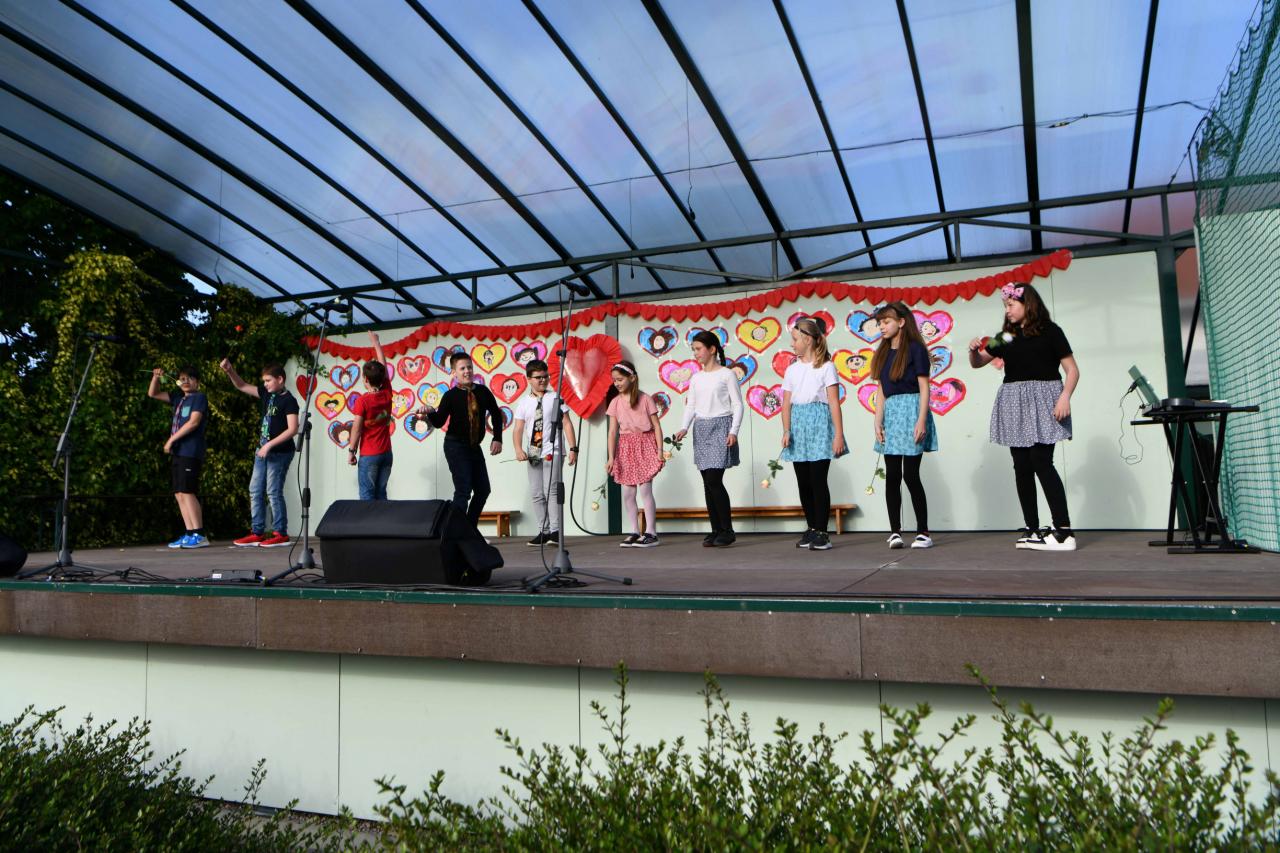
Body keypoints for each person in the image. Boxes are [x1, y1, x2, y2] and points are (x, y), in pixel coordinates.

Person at [968, 282, 1080, 551]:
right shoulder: (1006, 336)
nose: (1007, 310)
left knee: (1042, 461)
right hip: (1013, 402)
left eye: (1011, 305)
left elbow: (1072, 370)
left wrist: (1065, 396)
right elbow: (979, 362)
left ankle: (1064, 530)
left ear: (1027, 303)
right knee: (1021, 466)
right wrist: (972, 351)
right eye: (1005, 306)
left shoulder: (1050, 331)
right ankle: (1032, 528)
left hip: (1045, 401)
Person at [869, 303, 937, 549]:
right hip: (892, 414)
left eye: (886, 321)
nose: (882, 326)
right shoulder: (883, 353)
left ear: (901, 322)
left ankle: (923, 532)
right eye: (880, 323)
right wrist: (877, 420)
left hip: (911, 411)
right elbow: (881, 389)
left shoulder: (915, 349)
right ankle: (895, 531)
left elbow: (924, 387)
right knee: (892, 475)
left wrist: (921, 419)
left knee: (911, 474)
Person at [780, 316, 847, 551]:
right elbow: (786, 403)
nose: (792, 344)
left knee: (818, 480)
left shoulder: (826, 367)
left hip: (819, 424)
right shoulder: (792, 369)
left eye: (795, 339)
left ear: (808, 340)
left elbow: (834, 402)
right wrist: (786, 430)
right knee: (804, 481)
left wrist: (838, 434)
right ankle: (811, 527)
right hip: (798, 427)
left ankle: (822, 531)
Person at [672, 331, 744, 547]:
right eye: (693, 350)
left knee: (714, 480)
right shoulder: (696, 378)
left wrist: (733, 431)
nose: (695, 353)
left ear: (712, 349)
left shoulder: (727, 375)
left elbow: (737, 404)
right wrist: (684, 427)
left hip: (721, 426)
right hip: (701, 428)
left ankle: (727, 530)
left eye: (698, 349)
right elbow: (691, 405)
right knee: (707, 483)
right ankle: (715, 530)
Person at [416, 351, 503, 526]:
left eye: (469, 367)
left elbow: (496, 414)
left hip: (474, 446)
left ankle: (469, 528)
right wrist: (430, 412)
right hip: (455, 446)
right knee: (463, 490)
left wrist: (497, 438)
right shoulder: (450, 396)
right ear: (454, 372)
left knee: (483, 489)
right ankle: (456, 530)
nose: (467, 371)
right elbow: (439, 422)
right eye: (462, 368)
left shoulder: (483, 392)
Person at [219, 359, 300, 548]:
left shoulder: (289, 401)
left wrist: (269, 445)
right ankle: (257, 532)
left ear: (280, 379)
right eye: (264, 381)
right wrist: (230, 371)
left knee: (273, 491)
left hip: (280, 453)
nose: (265, 384)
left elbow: (293, 429)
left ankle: (280, 533)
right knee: (255, 490)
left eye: (268, 380)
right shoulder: (266, 394)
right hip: (262, 451)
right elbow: (241, 385)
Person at [512, 358, 578, 546]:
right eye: (538, 377)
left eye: (545, 376)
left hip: (553, 449)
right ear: (529, 379)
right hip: (534, 451)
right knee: (537, 492)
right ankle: (544, 530)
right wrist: (518, 449)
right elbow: (518, 429)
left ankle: (556, 531)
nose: (543, 380)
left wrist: (573, 448)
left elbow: (567, 423)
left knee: (552, 490)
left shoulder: (555, 398)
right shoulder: (524, 403)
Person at [147, 365, 209, 549]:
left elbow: (194, 422)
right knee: (179, 493)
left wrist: (171, 440)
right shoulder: (178, 398)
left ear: (197, 382)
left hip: (190, 451)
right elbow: (153, 393)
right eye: (182, 378)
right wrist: (156, 377)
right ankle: (189, 533)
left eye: (190, 378)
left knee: (188, 491)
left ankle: (199, 534)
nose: (185, 381)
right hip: (179, 451)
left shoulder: (199, 397)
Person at [605, 361, 664, 548]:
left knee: (645, 490)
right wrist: (611, 457)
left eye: (620, 379)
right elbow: (612, 432)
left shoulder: (645, 399)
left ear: (631, 378)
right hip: (626, 447)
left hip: (645, 444)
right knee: (628, 493)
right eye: (614, 380)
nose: (617, 383)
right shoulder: (615, 402)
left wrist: (660, 451)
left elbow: (656, 426)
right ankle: (634, 531)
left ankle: (651, 532)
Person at [348, 332, 394, 500]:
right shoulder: (387, 393)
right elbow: (383, 365)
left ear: (365, 379)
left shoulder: (363, 401)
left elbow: (356, 429)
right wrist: (376, 343)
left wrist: (351, 451)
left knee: (367, 496)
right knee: (381, 494)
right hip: (386, 453)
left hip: (369, 454)